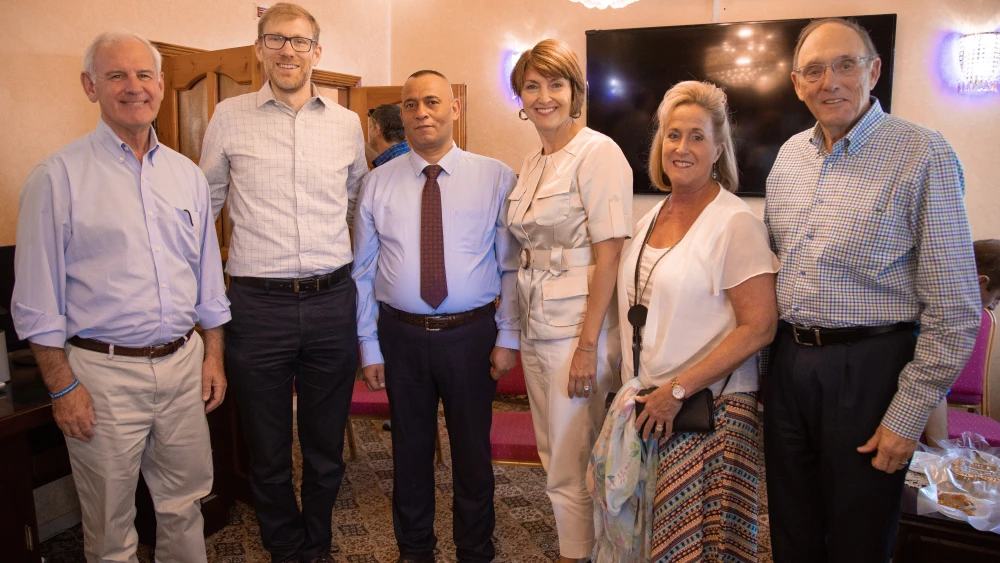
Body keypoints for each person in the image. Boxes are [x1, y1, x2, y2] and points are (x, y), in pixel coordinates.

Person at [763, 17, 981, 563]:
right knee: (790, 528)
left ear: (874, 71)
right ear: (797, 83)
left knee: (857, 539)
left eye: (846, 65)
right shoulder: (788, 157)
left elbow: (955, 310)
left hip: (871, 370)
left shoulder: (922, 153)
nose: (830, 81)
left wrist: (907, 417)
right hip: (790, 364)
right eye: (815, 70)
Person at [11, 30, 230, 562]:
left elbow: (207, 281)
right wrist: (63, 388)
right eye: (117, 75)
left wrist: (213, 357)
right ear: (90, 86)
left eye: (144, 74)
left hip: (182, 366)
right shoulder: (57, 178)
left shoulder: (187, 176)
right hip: (102, 376)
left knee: (185, 506)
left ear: (161, 83)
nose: (134, 87)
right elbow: (36, 302)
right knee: (110, 528)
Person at [199, 4, 368, 562]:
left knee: (325, 448)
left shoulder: (345, 123)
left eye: (299, 42)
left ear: (317, 52)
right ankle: (284, 548)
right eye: (275, 40)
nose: (288, 51)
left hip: (331, 302)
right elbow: (204, 211)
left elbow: (358, 208)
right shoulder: (228, 116)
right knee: (267, 451)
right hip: (257, 308)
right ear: (259, 48)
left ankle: (316, 543)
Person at [592, 80, 778, 563]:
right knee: (650, 543)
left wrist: (677, 390)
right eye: (672, 135)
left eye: (697, 137)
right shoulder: (650, 217)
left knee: (698, 549)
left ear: (718, 150)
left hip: (707, 414)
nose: (682, 147)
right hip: (652, 408)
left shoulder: (735, 223)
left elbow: (760, 326)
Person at [352, 70, 519, 563]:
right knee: (409, 452)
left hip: (471, 336)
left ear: (454, 109)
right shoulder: (376, 184)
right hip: (400, 336)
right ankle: (414, 550)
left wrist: (508, 335)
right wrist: (368, 345)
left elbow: (511, 265)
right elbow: (362, 272)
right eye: (410, 104)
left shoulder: (496, 177)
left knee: (472, 454)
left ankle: (475, 549)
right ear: (401, 114)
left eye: (432, 102)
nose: (421, 112)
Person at [506, 39, 632, 562]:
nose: (544, 96)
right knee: (553, 448)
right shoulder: (535, 159)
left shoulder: (598, 152)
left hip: (578, 330)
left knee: (572, 454)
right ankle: (584, 546)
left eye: (555, 84)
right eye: (532, 86)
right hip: (537, 323)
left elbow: (610, 255)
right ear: (519, 95)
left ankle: (578, 554)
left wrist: (587, 346)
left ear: (575, 92)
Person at [923, 238, 1000, 445]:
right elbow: (931, 389)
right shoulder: (937, 317)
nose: (993, 307)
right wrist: (940, 454)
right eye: (997, 298)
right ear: (980, 282)